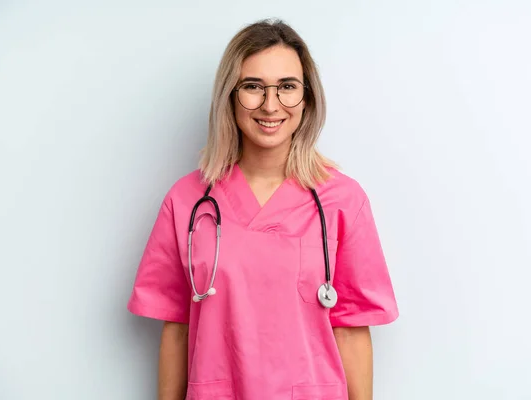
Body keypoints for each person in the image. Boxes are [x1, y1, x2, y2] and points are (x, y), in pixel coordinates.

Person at [127, 18, 399, 400]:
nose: (271, 105)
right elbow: (178, 329)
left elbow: (351, 331)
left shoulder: (343, 201)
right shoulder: (187, 201)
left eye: (287, 87)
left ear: (307, 98)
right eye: (253, 87)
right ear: (229, 96)